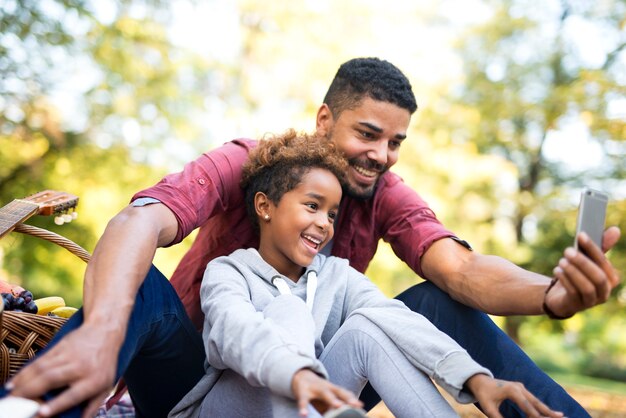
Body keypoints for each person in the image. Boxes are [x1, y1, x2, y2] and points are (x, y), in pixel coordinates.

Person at [6, 57, 621, 418]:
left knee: (436, 306)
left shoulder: (382, 198)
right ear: (324, 119)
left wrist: (552, 295)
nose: (381, 156)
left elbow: (458, 271)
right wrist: (105, 331)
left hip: (318, 381)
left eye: (396, 143)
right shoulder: (248, 168)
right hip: (197, 373)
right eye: (368, 133)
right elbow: (139, 220)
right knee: (136, 286)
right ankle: (33, 405)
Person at [171, 130, 563, 418]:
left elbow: (398, 320)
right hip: (233, 407)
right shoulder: (227, 272)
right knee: (288, 311)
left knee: (368, 327)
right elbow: (238, 333)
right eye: (312, 206)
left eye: (331, 214)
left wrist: (475, 379)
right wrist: (297, 374)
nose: (324, 223)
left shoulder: (337, 275)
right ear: (265, 206)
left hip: (316, 405)